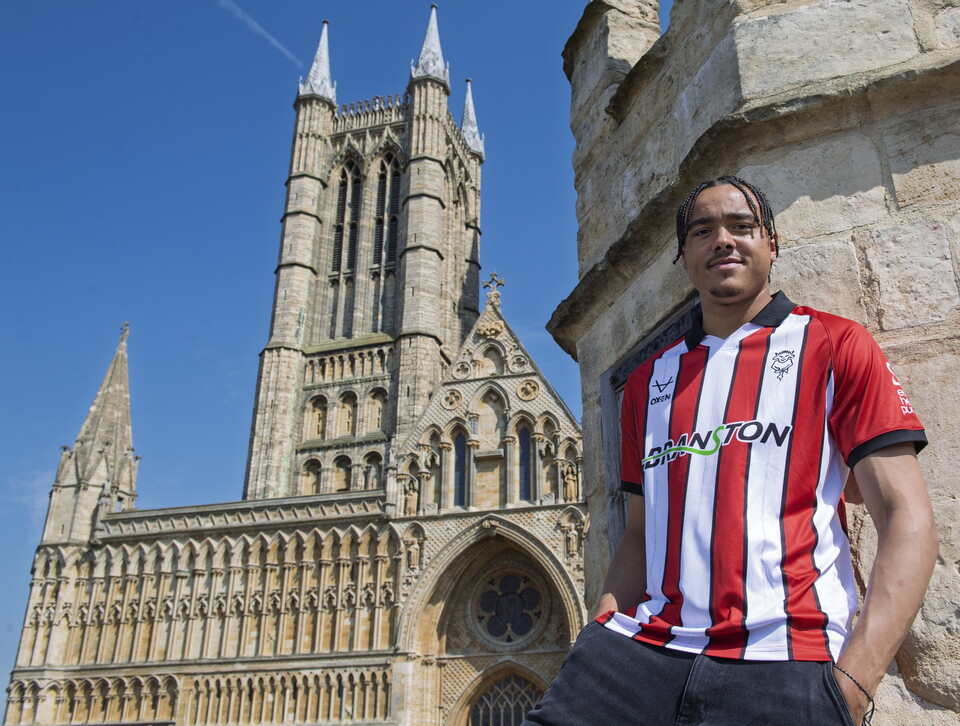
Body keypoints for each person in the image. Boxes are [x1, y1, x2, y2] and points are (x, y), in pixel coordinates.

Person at [523, 176, 938, 726]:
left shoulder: (836, 344)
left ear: (772, 242)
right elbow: (640, 533)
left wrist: (855, 683)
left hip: (784, 661)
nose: (723, 239)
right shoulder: (648, 382)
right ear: (685, 256)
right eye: (703, 231)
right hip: (635, 658)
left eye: (741, 226)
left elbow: (907, 518)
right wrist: (601, 629)